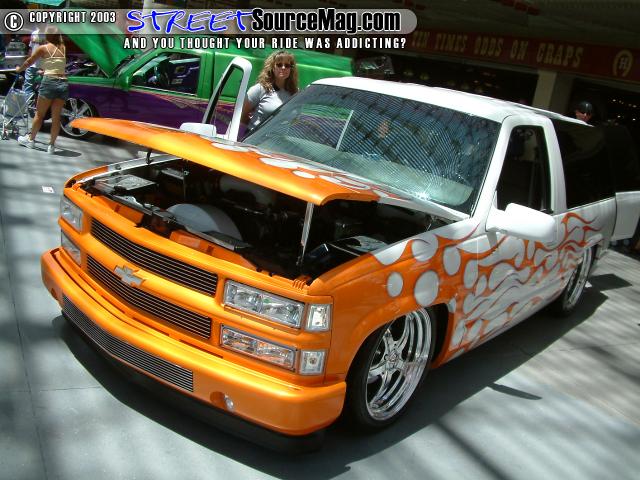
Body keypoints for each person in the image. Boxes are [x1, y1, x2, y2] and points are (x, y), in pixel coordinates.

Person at [15, 26, 68, 154]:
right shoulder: (62, 47)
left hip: (49, 82)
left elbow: (29, 61)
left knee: (39, 114)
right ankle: (52, 146)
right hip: (63, 83)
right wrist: (45, 70)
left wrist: (19, 69)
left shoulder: (43, 48)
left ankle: (30, 140)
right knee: (56, 117)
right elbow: (57, 65)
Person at [242, 50, 298, 135]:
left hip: (278, 140)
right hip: (256, 138)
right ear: (272, 67)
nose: (283, 68)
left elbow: (294, 120)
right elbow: (242, 115)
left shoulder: (295, 92)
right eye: (279, 64)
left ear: (291, 69)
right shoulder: (260, 89)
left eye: (287, 65)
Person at [22, 28, 40, 97]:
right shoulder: (34, 33)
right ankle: (27, 102)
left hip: (43, 66)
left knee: (41, 88)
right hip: (32, 65)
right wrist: (28, 61)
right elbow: (31, 48)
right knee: (28, 86)